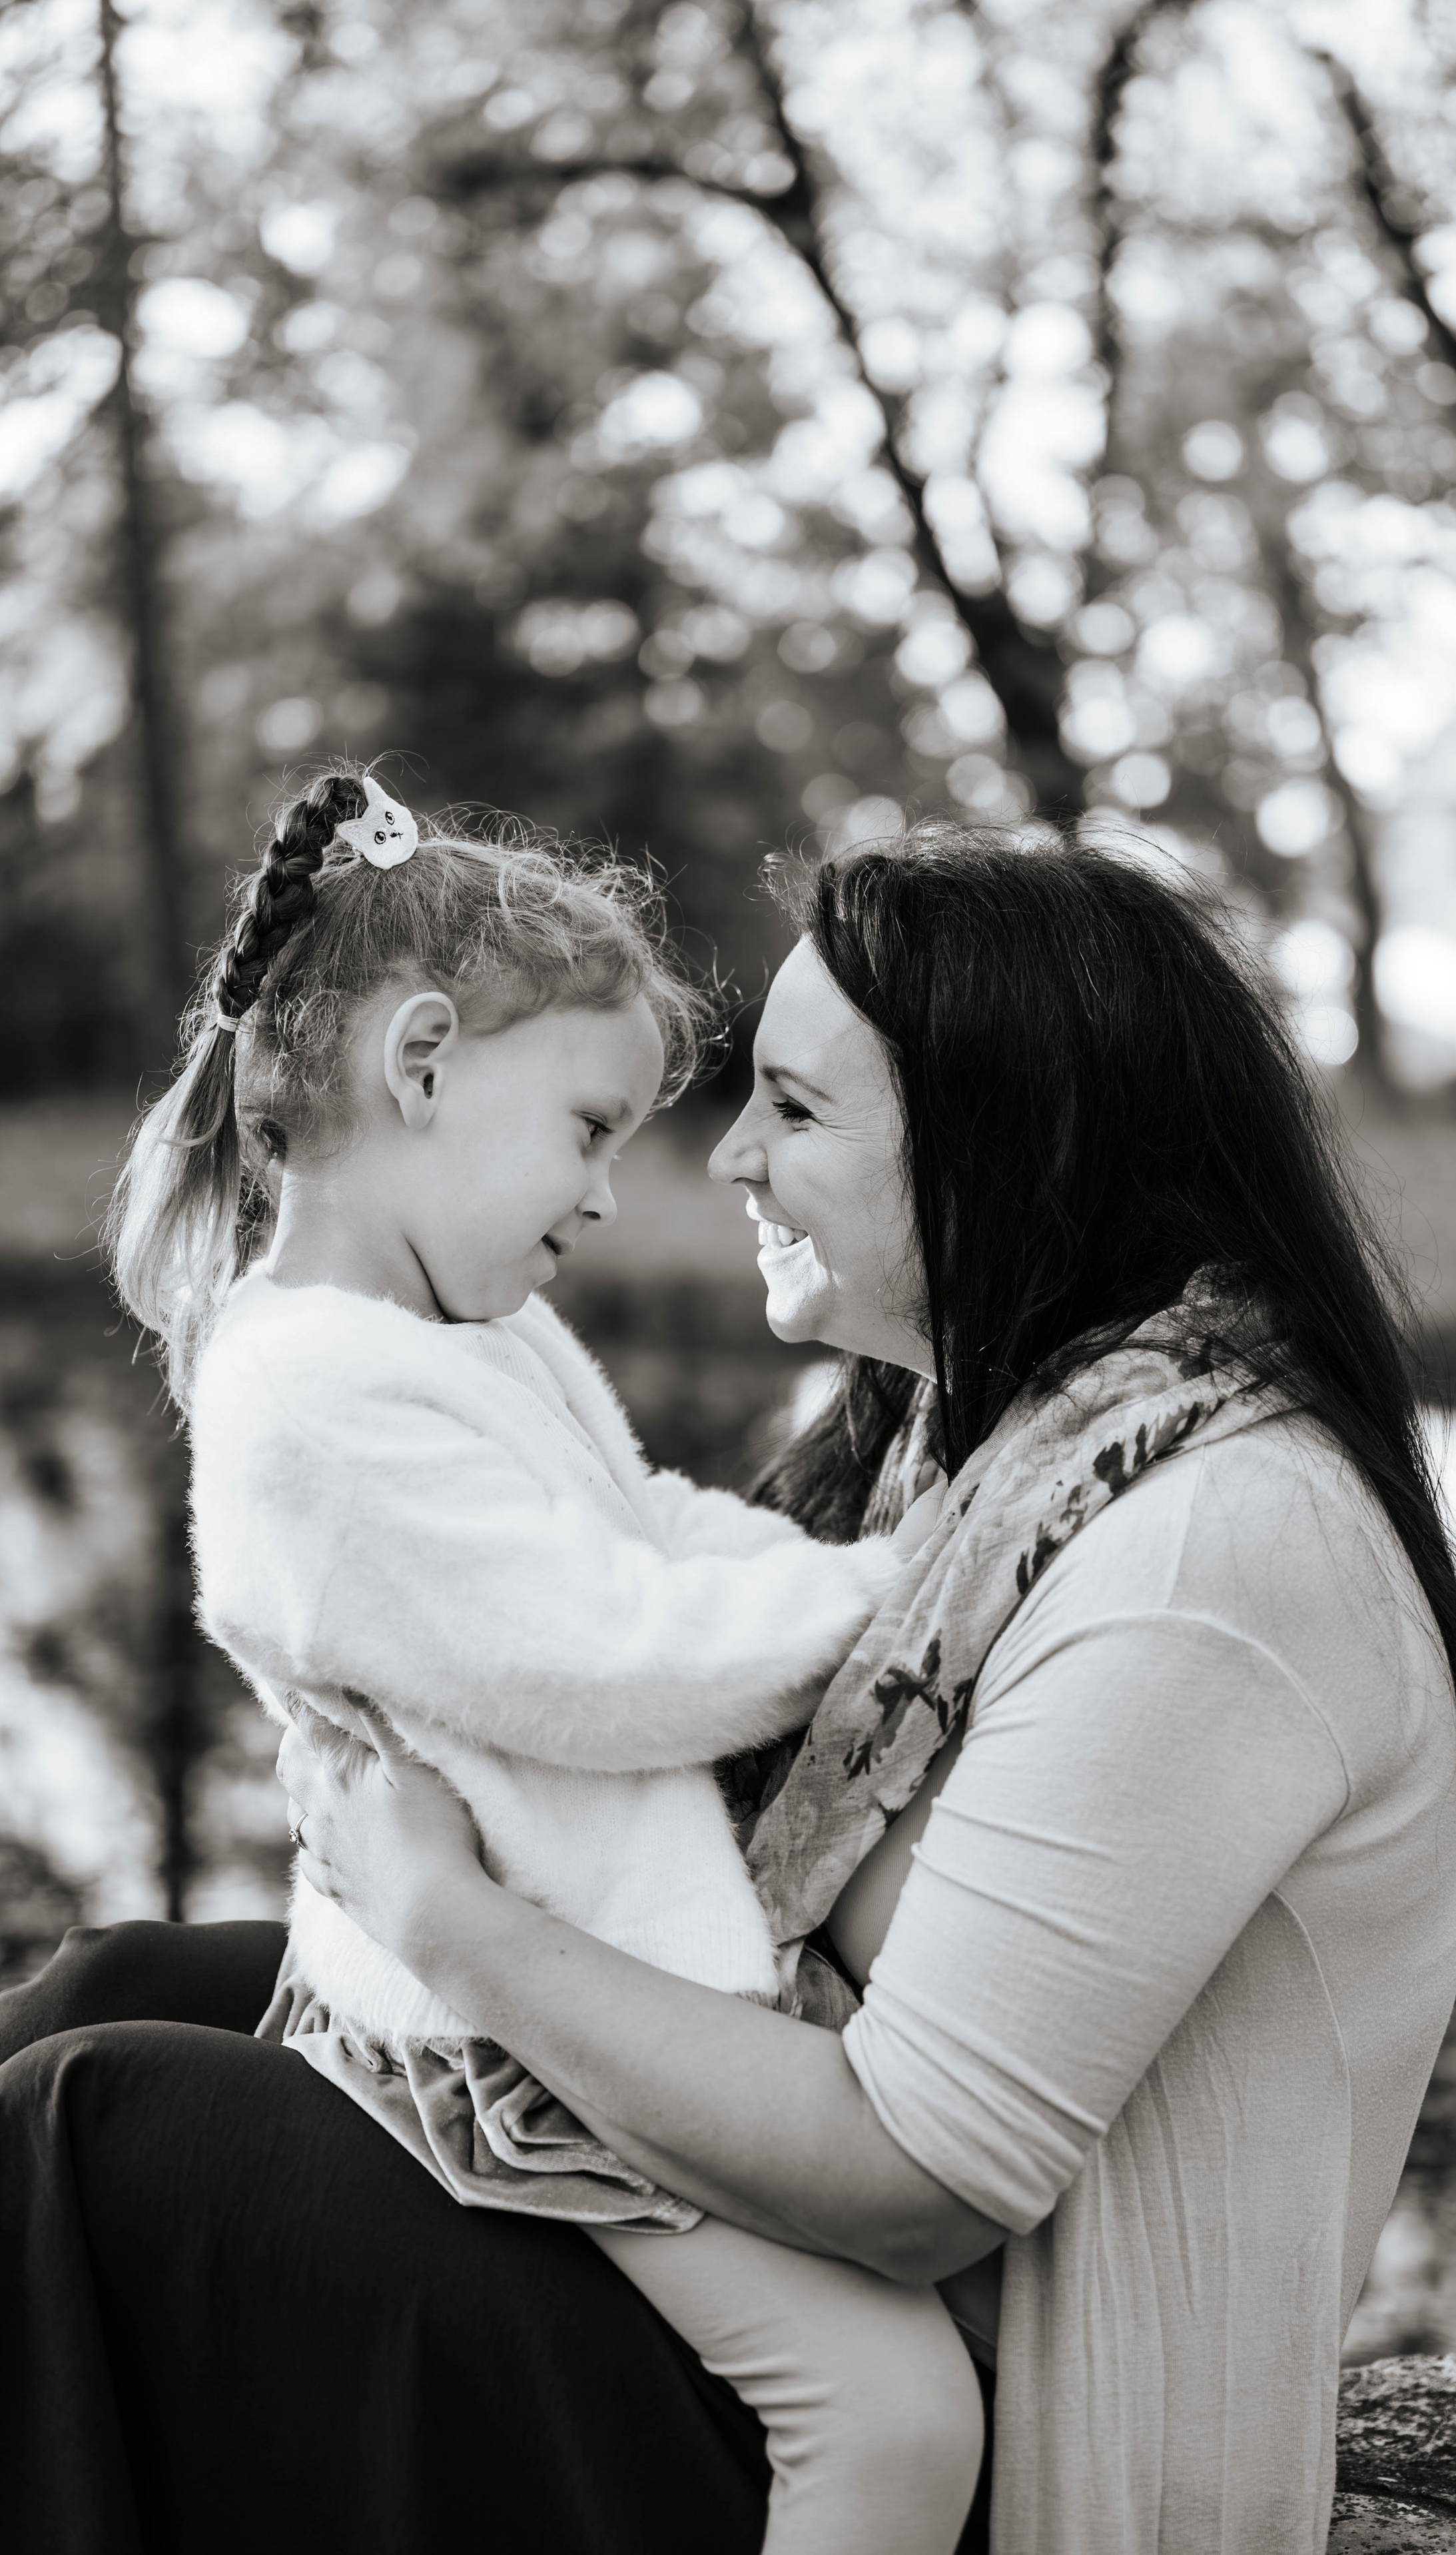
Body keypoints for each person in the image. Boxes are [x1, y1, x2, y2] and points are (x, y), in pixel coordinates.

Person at [0, 820, 1456, 2555]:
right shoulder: (987, 1443)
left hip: (977, 2443)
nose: (721, 1151)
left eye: (796, 1110)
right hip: (790, 2238)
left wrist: (447, 1914)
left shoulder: (1211, 1547)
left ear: (1005, 1148)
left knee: (91, 2127)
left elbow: (912, 2186)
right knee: (110, 1981)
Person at [102, 766, 984, 2555]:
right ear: (421, 1064)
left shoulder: (445, 1333)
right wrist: (916, 1597)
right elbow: (609, 1654)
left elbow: (647, 1529)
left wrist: (866, 1565)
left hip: (583, 1974)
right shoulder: (313, 1405)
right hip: (499, 2047)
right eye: (589, 1125)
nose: (605, 1194)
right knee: (888, 2418)